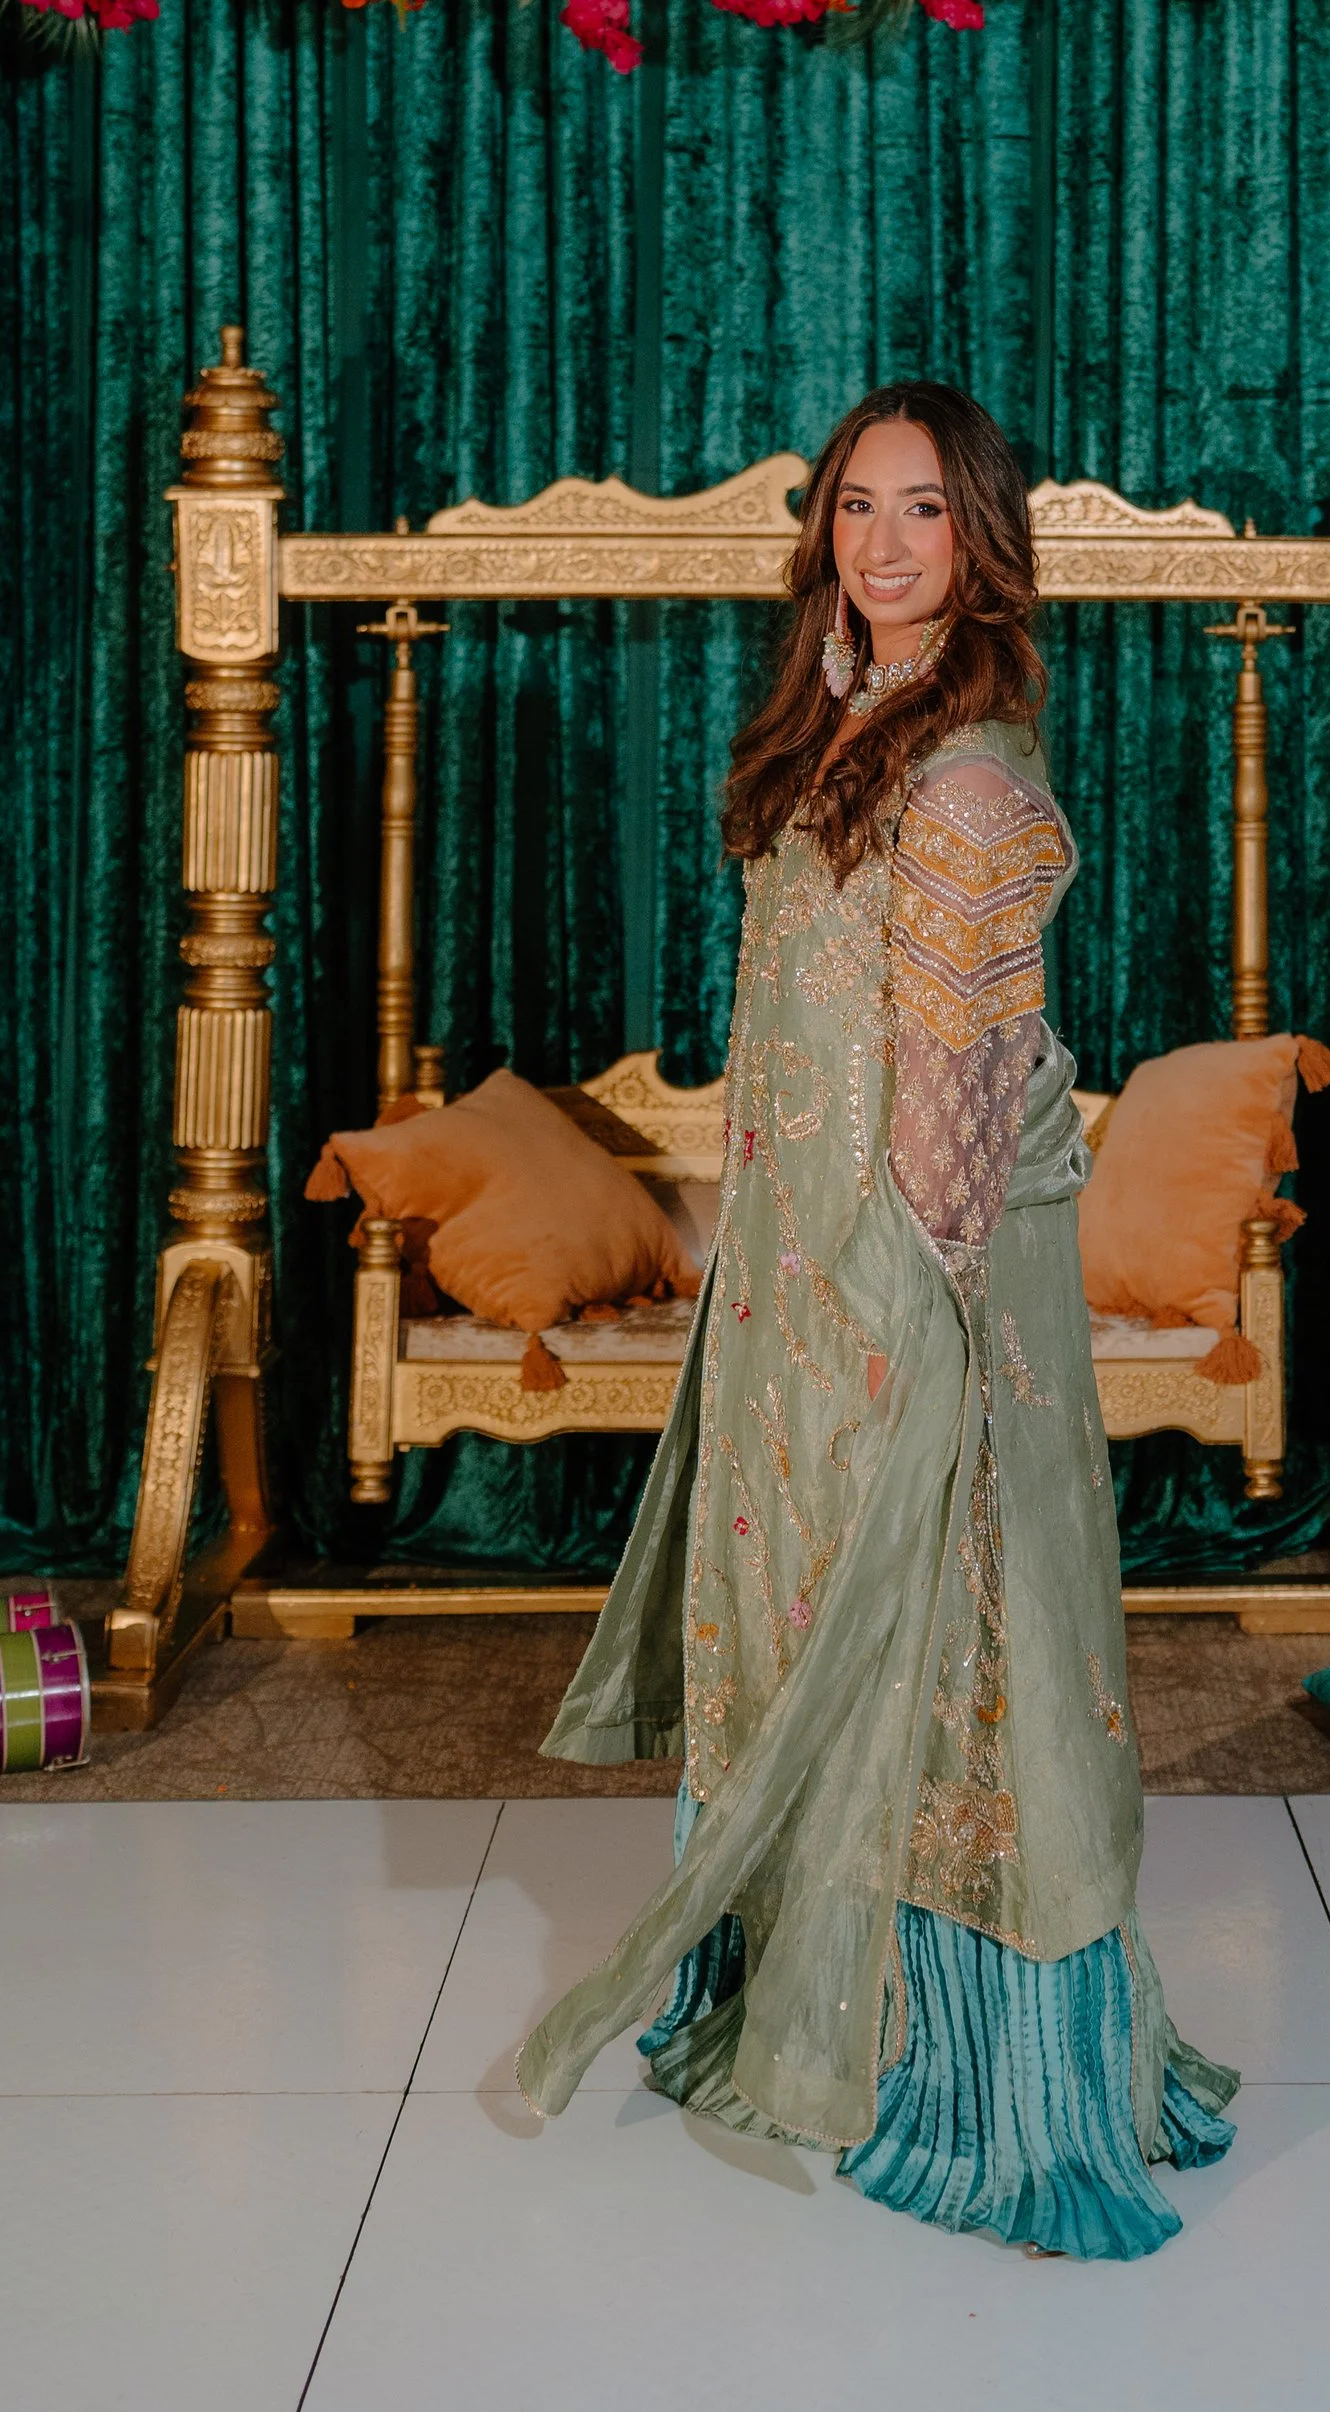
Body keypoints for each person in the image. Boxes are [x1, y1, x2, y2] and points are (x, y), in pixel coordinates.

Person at [517, 382, 1236, 2255]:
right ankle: (800, 1992)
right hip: (794, 1279)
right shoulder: (841, 724)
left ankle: (970, 2073)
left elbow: (964, 1082)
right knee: (796, 1618)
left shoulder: (973, 773)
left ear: (980, 536)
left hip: (911, 1283)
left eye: (923, 512)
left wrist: (915, 1334)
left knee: (952, 1640)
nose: (884, 545)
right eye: (856, 509)